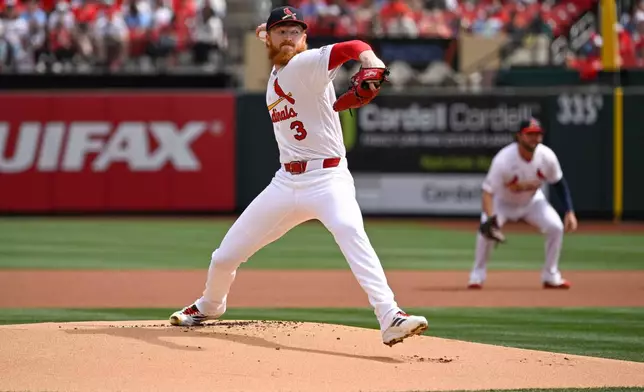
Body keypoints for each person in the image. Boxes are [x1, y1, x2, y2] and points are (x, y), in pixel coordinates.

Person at [169, 5, 428, 347]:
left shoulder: (306, 64)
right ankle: (210, 305)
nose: (289, 36)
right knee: (223, 257)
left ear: (305, 37)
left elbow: (352, 46)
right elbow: (271, 37)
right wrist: (267, 30)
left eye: (295, 31)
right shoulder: (278, 70)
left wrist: (372, 63)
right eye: (281, 31)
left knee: (350, 230)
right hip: (286, 182)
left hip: (327, 180)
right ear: (269, 38)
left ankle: (390, 316)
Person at [467, 117, 578, 289]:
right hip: (503, 202)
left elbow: (559, 183)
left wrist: (569, 211)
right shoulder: (504, 159)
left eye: (537, 134)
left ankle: (550, 275)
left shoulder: (546, 156)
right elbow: (487, 192)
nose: (534, 138)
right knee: (485, 230)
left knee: (556, 227)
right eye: (530, 134)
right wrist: (490, 220)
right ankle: (477, 275)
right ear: (519, 136)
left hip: (532, 202)